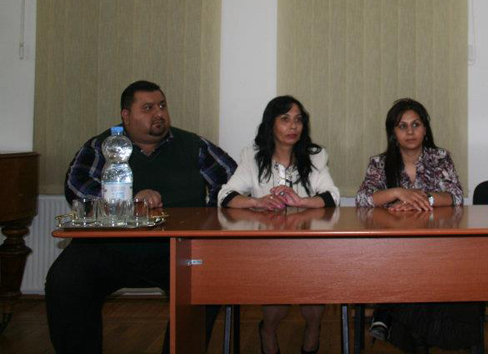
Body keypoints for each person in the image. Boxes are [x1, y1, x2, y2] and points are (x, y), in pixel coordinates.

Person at [45, 80, 237, 354]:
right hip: (107, 247)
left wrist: (206, 216)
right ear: (126, 115)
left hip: (175, 250)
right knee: (65, 280)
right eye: (147, 108)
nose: (158, 113)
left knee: (207, 280)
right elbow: (76, 186)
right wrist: (127, 201)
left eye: (162, 106)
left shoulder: (193, 145)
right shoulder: (102, 146)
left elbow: (232, 181)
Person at [355, 98, 481, 354]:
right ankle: (409, 329)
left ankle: (392, 317)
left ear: (425, 129)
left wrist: (425, 200)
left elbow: (456, 196)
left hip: (436, 245)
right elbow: (362, 199)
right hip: (393, 248)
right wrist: (398, 193)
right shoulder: (379, 163)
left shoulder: (440, 158)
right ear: (393, 132)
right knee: (408, 271)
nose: (410, 131)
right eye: (402, 126)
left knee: (432, 272)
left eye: (416, 124)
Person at [218, 95, 339, 354]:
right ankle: (268, 330)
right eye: (285, 119)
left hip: (308, 243)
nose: (293, 126)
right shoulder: (252, 156)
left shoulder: (315, 156)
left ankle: (314, 328)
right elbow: (225, 196)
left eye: (298, 120)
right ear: (270, 124)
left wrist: (302, 202)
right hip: (269, 245)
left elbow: (332, 196)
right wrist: (257, 202)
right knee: (279, 291)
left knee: (312, 290)